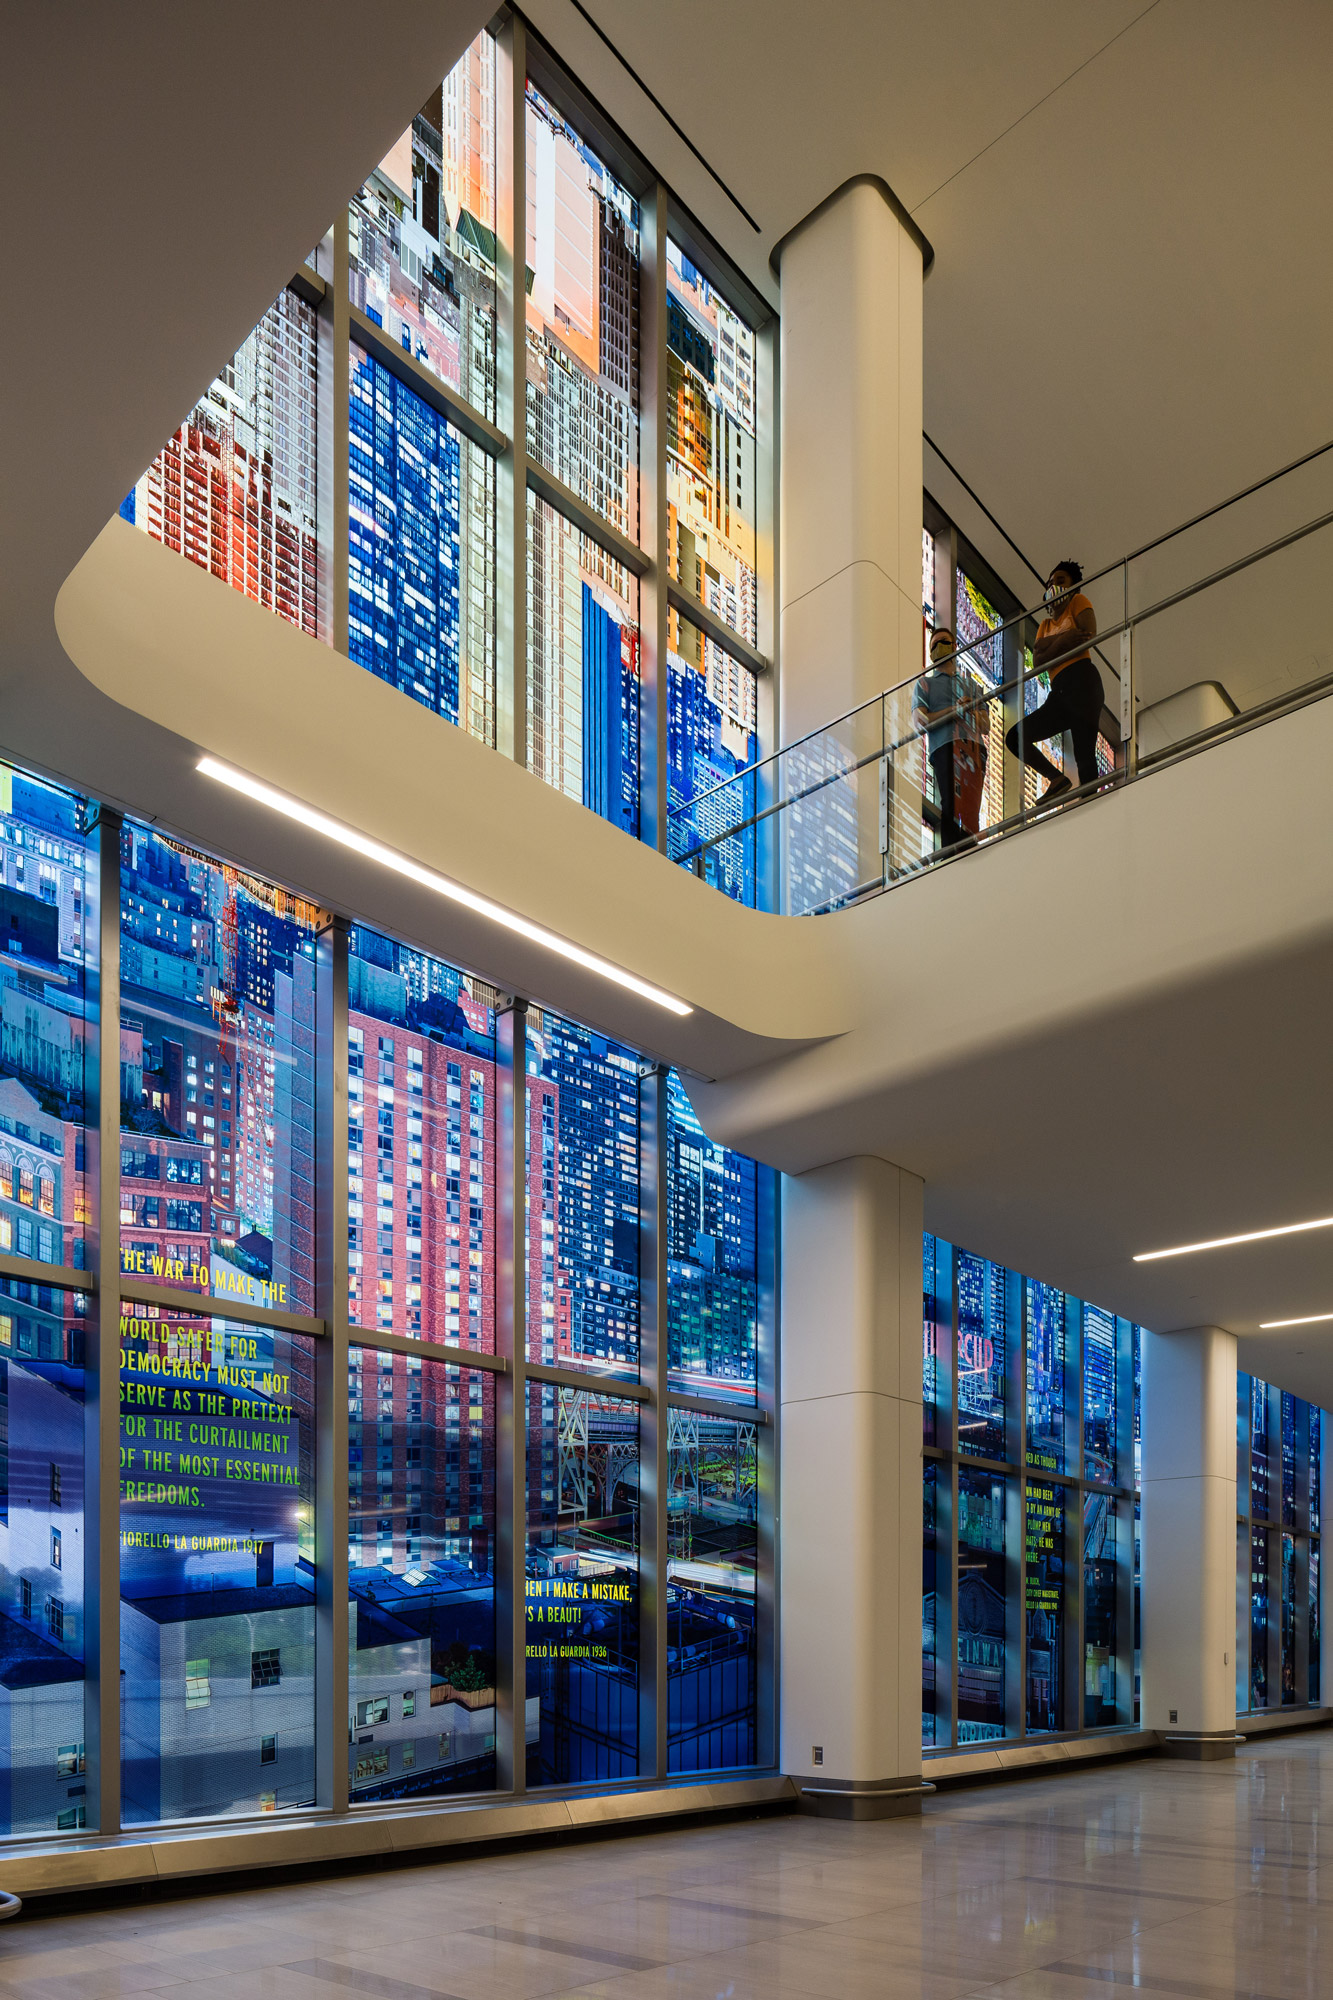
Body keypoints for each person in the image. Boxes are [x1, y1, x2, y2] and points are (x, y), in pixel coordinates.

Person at [1004, 561, 1104, 800]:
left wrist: (1050, 646)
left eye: (1060, 581)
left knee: (1085, 758)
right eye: (1050, 584)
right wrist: (1064, 640)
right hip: (1059, 691)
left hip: (1083, 682)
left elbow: (1088, 632)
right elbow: (1038, 662)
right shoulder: (1045, 625)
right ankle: (1057, 778)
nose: (1053, 587)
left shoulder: (1078, 603)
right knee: (1015, 737)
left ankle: (1093, 809)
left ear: (1072, 587)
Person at [914, 626, 988, 849]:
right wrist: (953, 711)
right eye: (934, 645)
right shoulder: (925, 684)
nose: (938, 648)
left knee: (971, 805)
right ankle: (950, 854)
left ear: (954, 646)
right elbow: (920, 721)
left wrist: (971, 711)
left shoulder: (971, 686)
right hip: (944, 746)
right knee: (950, 802)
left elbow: (986, 725)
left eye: (943, 642)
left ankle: (968, 850)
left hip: (974, 747)